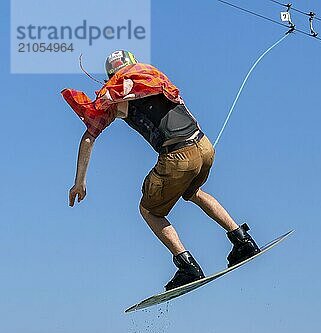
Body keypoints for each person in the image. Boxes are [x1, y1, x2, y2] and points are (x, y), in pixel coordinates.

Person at [62, 50, 260, 290]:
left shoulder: (115, 95)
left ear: (111, 75)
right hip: (204, 146)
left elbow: (88, 137)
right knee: (193, 192)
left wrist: (79, 182)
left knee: (148, 210)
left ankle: (186, 266)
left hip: (178, 156)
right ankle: (242, 240)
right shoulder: (154, 78)